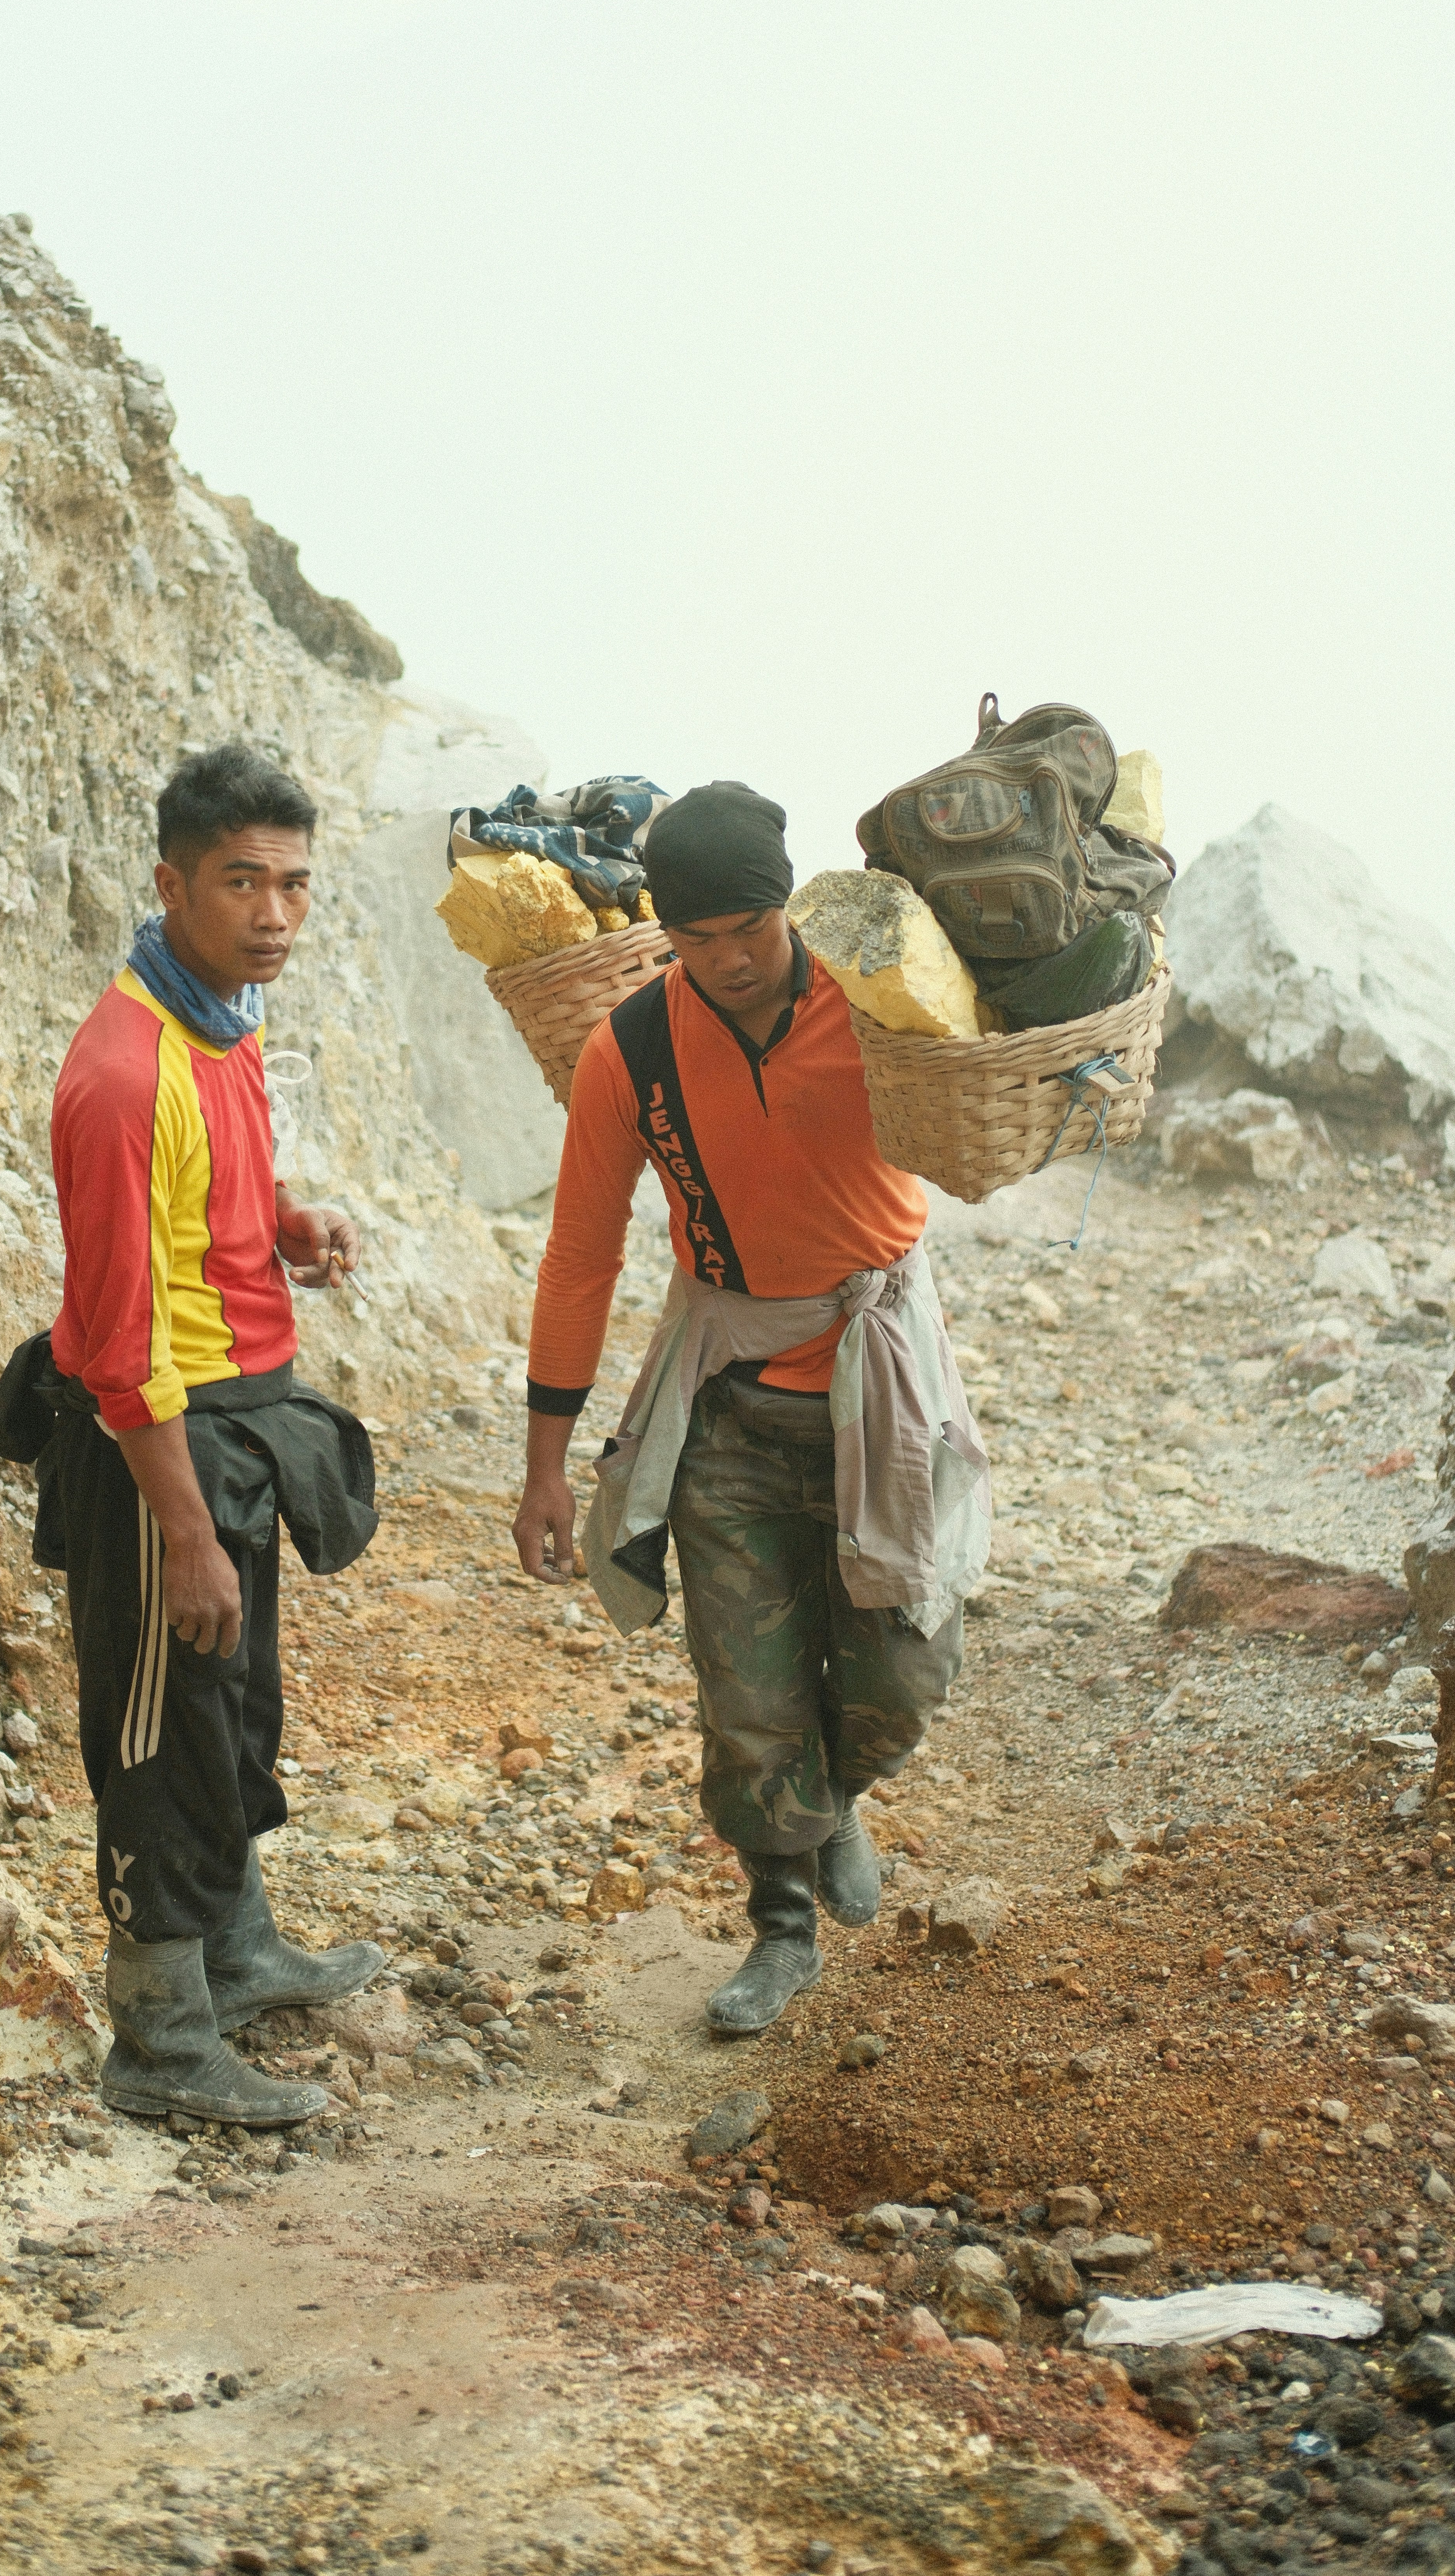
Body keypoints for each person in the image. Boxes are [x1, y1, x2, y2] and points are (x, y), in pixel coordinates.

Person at [510, 780, 990, 2036]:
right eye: (695, 939)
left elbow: (991, 1088)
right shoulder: (634, 1050)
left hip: (873, 1392)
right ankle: (780, 1925)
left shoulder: (874, 1009)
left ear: (789, 911)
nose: (725, 961)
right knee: (747, 1696)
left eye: (749, 933)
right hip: (726, 1410)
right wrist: (546, 1466)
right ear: (665, 935)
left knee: (906, 1669)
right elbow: (580, 1257)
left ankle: (836, 1800)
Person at [0, 740, 383, 2130]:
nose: (274, 913)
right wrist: (182, 1531)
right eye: (241, 883)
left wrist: (287, 1221)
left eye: (293, 884)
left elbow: (210, 1192)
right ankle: (159, 2043)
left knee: (235, 1713)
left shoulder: (223, 1013)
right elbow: (111, 1343)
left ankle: (238, 1950)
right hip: (159, 1450)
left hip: (241, 1428)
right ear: (172, 884)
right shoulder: (118, 1075)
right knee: (161, 1738)